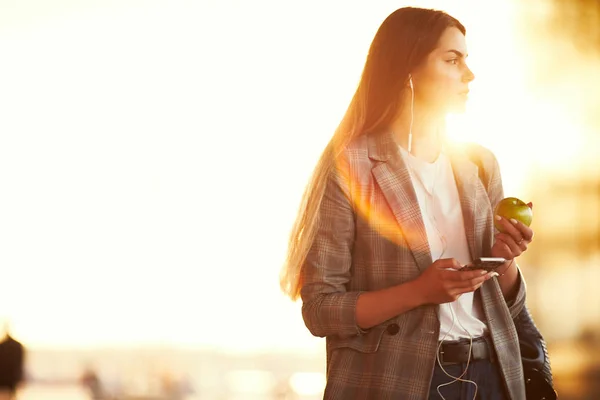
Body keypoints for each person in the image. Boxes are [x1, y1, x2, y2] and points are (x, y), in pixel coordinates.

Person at [280, 7, 535, 400]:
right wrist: (420, 291)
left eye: (467, 60)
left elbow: (509, 305)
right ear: (408, 70)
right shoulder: (352, 167)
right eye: (452, 60)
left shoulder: (481, 166)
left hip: (494, 378)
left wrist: (506, 261)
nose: (469, 74)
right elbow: (320, 309)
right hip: (400, 382)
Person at [0, 322, 25, 400]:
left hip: (4, 377)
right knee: (11, 395)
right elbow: (20, 363)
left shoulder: (2, 346)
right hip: (12, 377)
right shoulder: (17, 346)